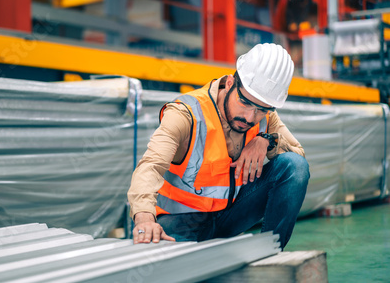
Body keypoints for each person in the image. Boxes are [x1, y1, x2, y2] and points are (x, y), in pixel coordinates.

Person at [127, 43, 309, 250]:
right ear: (230, 83)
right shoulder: (185, 114)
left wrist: (266, 141)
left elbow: (298, 158)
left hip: (229, 215)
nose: (250, 117)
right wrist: (144, 219)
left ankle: (271, 251)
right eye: (245, 103)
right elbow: (150, 166)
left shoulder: (265, 116)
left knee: (294, 166)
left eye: (262, 109)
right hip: (179, 221)